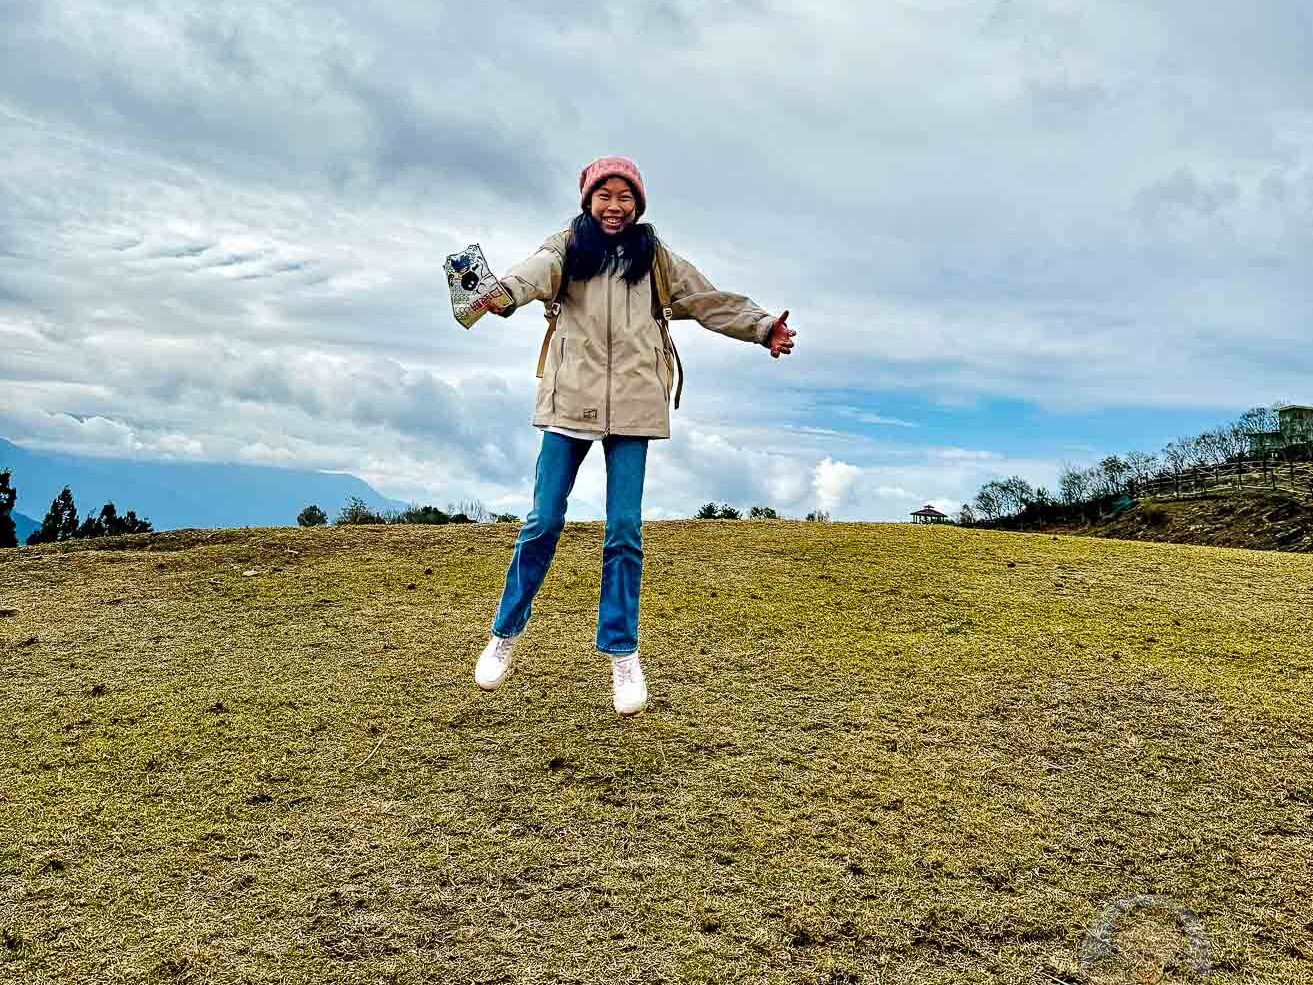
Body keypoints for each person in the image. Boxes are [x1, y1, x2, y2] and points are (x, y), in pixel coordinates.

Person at [473, 155, 796, 715]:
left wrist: (763, 327)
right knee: (543, 519)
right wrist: (497, 295)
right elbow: (531, 274)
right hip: (568, 401)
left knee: (624, 531)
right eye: (604, 196)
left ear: (638, 204)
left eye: (625, 197)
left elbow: (705, 299)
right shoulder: (566, 247)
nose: (614, 206)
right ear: (587, 201)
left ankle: (623, 654)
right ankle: (504, 635)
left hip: (634, 405)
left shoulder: (654, 258)